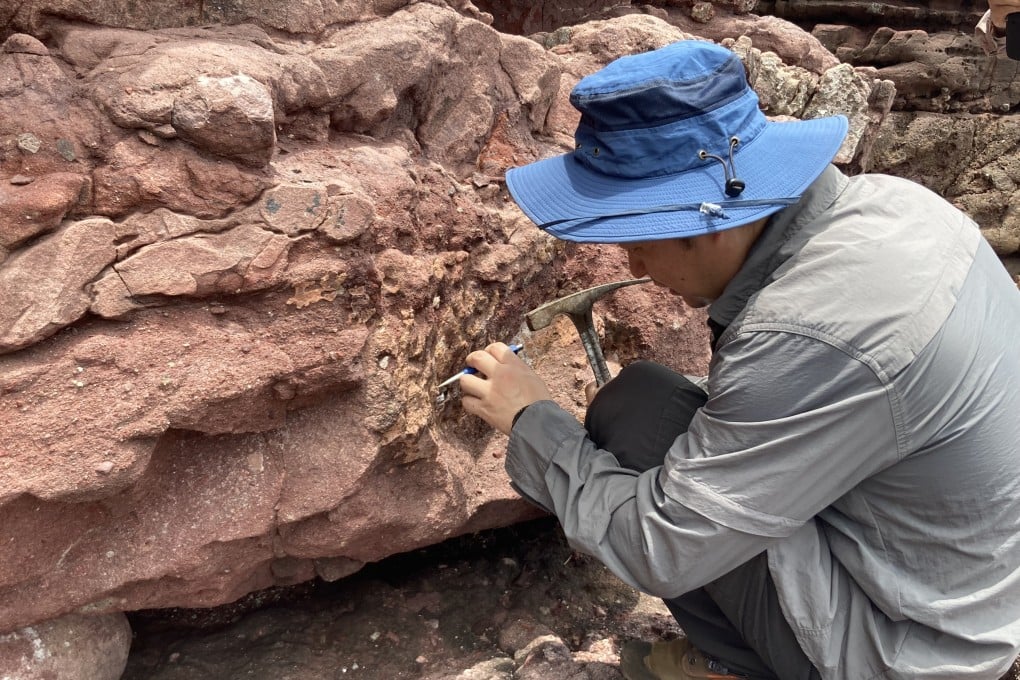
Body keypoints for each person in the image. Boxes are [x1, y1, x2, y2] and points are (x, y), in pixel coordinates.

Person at [456, 38, 1020, 680]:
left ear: (712, 219)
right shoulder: (897, 204)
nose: (632, 266)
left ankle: (754, 664)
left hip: (911, 653)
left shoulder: (808, 329)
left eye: (636, 237)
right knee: (647, 401)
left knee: (638, 426)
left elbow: (659, 550)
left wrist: (533, 420)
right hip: (970, 593)